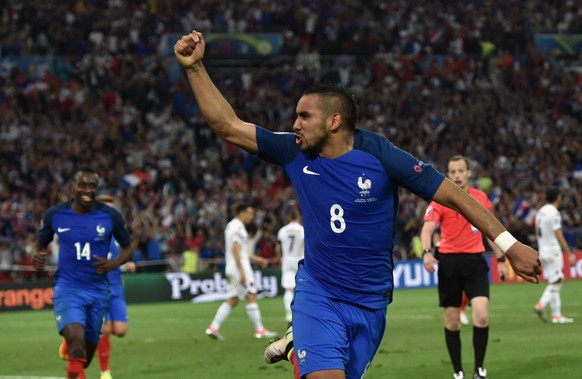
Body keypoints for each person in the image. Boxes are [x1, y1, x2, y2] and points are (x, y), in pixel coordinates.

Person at [174, 30, 541, 379]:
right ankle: (302, 338)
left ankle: (294, 347)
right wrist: (194, 67)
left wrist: (509, 245)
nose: (294, 124)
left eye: (304, 116)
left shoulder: (381, 156)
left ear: (334, 121)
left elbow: (455, 196)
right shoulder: (292, 150)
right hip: (318, 291)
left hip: (370, 301)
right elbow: (227, 125)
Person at [32, 168, 134, 379]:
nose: (87, 190)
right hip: (68, 288)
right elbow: (41, 242)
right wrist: (37, 255)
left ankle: (70, 349)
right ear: (73, 188)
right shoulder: (55, 214)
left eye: (92, 186)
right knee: (76, 342)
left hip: (98, 291)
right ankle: (71, 342)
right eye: (83, 185)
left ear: (97, 189)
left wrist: (113, 263)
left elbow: (128, 248)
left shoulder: (110, 216)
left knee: (83, 358)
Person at [420, 155, 509, 379]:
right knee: (452, 321)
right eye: (453, 171)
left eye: (461, 171)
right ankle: (458, 372)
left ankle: (479, 369)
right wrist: (427, 252)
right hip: (449, 263)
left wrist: (500, 260)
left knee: (481, 315)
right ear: (448, 174)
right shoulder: (439, 199)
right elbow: (428, 230)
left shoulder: (481, 198)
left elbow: (492, 232)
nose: (457, 175)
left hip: (475, 262)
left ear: (469, 173)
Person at [204, 203, 277, 340]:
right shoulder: (238, 227)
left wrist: (257, 259)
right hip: (239, 267)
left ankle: (213, 327)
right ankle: (260, 330)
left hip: (232, 266)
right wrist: (242, 270)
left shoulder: (231, 226)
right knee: (251, 294)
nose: (251, 216)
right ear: (241, 213)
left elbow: (241, 251)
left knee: (234, 299)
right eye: (249, 213)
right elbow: (235, 248)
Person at [533, 188, 576, 324]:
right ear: (558, 197)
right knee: (557, 280)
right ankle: (542, 305)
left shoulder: (540, 211)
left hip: (543, 250)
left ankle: (556, 315)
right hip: (553, 250)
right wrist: (569, 253)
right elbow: (558, 234)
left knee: (556, 280)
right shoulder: (554, 213)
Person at [274, 211, 305, 323]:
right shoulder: (302, 229)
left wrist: (281, 259)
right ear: (298, 216)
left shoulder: (282, 230)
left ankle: (288, 314)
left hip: (287, 260)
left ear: (288, 217)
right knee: (302, 288)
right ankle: (303, 312)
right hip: (300, 260)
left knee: (288, 289)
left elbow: (277, 248)